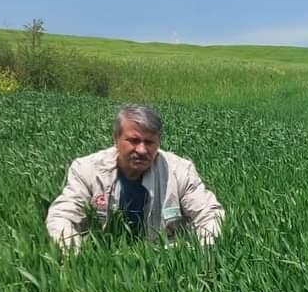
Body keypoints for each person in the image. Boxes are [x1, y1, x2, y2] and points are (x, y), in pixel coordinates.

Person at [46, 104, 224, 251]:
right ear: (116, 139)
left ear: (159, 142)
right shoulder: (87, 170)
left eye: (149, 142)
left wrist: (198, 253)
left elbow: (210, 214)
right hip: (104, 260)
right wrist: (77, 255)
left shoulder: (180, 171)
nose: (142, 150)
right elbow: (61, 216)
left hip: (163, 260)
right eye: (134, 140)